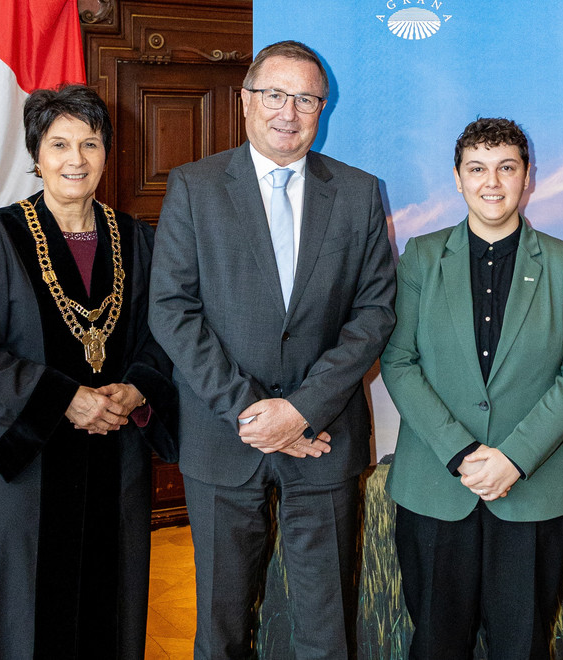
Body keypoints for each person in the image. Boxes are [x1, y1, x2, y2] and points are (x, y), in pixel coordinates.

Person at [148, 40, 396, 659]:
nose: (289, 112)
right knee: (221, 626)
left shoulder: (361, 192)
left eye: (306, 99)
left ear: (322, 109)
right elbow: (172, 310)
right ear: (245, 101)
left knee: (325, 627)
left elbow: (374, 313)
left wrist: (301, 409)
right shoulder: (194, 187)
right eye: (275, 95)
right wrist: (253, 413)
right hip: (221, 435)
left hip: (324, 436)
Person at [0, 84, 178, 659]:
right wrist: (63, 398)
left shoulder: (137, 240)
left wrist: (135, 390)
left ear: (106, 153)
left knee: (110, 605)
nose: (76, 159)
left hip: (113, 460)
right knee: (24, 616)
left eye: (90, 144)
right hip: (29, 467)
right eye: (60, 144)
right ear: (36, 154)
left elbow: (162, 338)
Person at [381, 117, 563, 659]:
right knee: (435, 645)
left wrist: (514, 458)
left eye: (507, 167)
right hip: (434, 487)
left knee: (522, 645)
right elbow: (398, 360)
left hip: (531, 491)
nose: (493, 182)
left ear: (528, 178)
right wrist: (461, 452)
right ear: (457, 179)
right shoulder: (422, 256)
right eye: (477, 169)